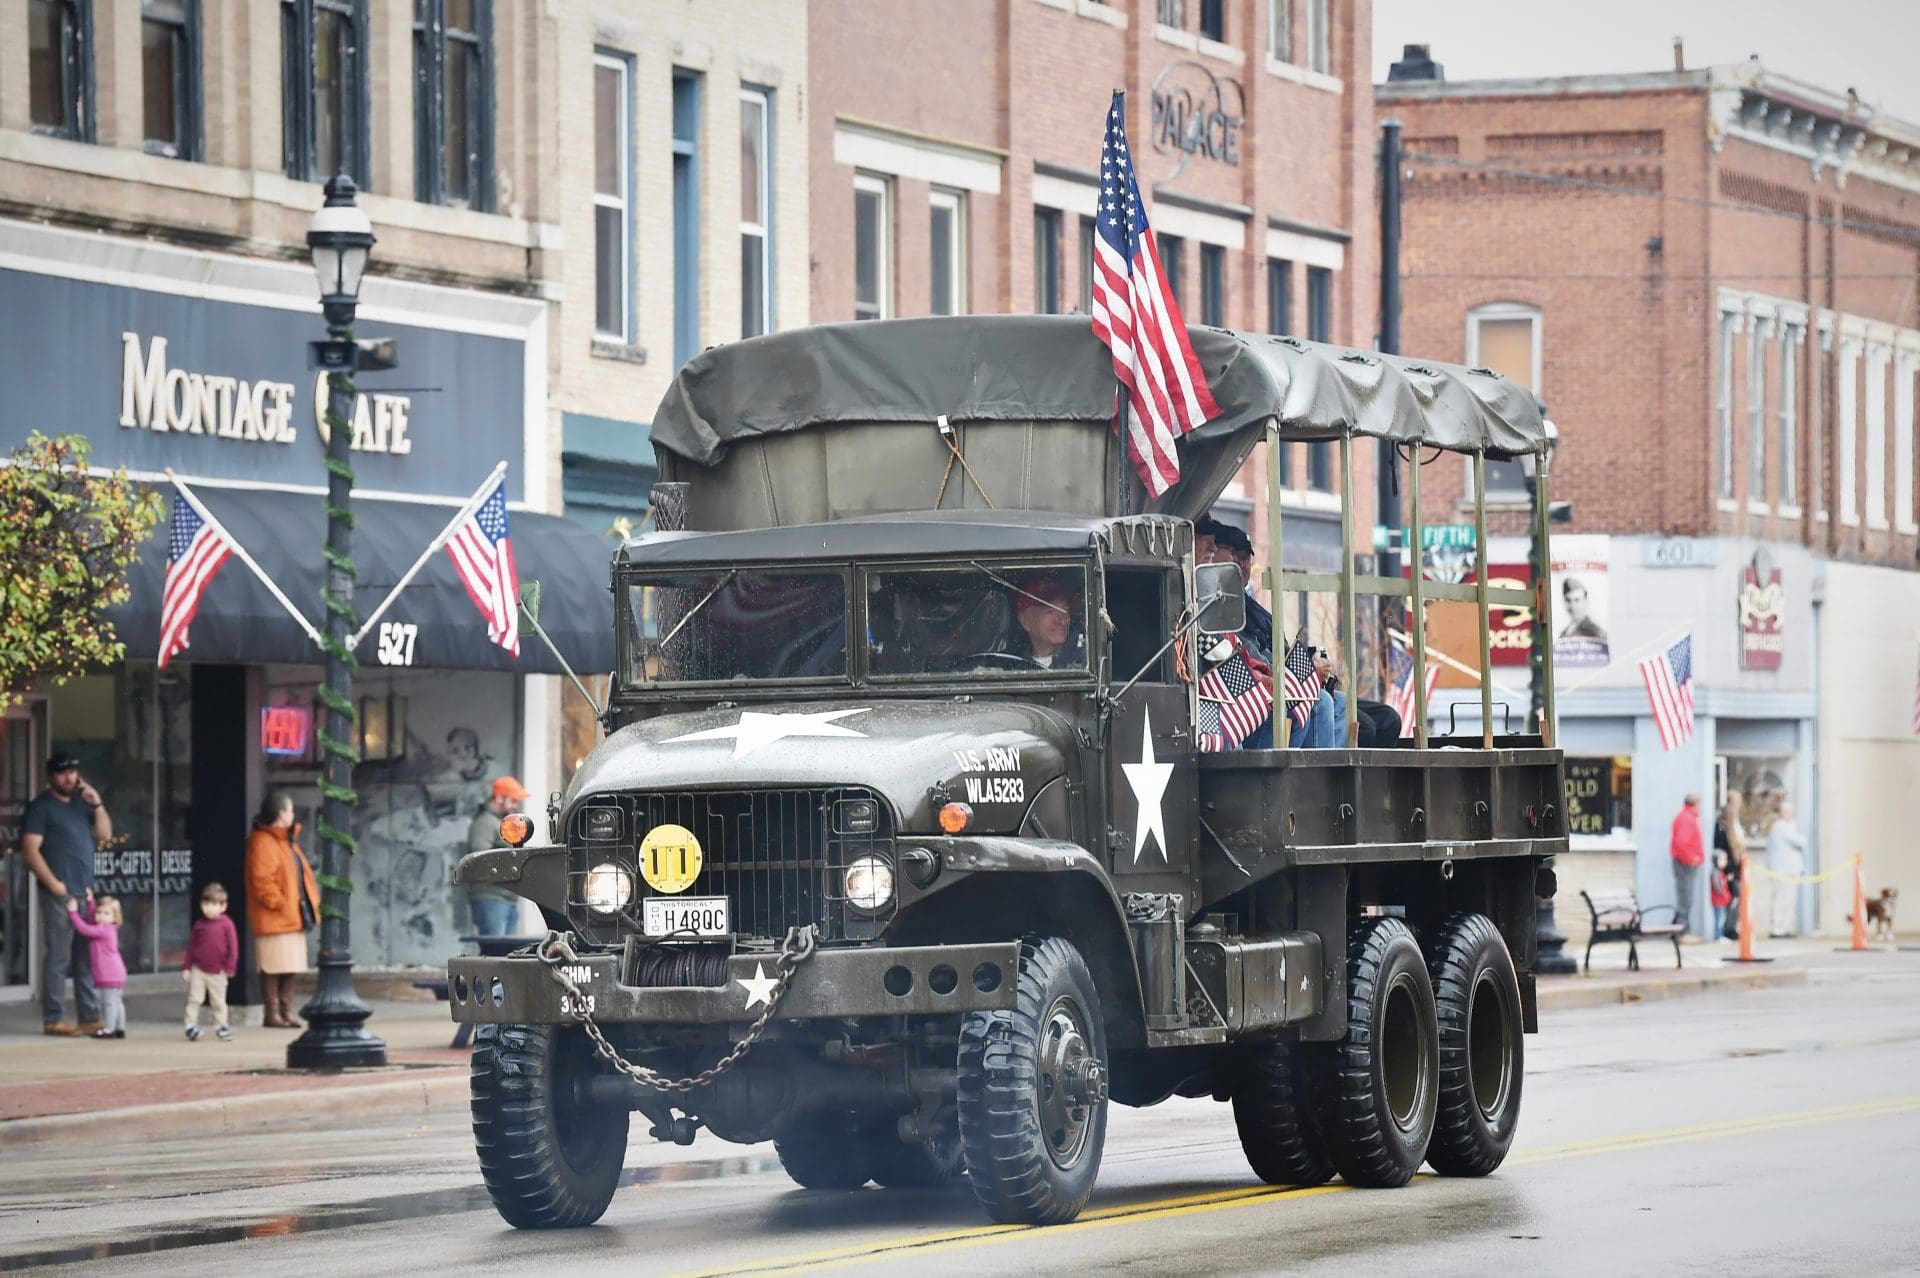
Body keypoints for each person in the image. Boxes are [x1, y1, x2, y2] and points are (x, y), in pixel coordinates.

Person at [19, 752, 111, 1036]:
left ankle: (89, 1015)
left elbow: (105, 834)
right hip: (59, 893)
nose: (69, 777)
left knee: (85, 957)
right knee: (59, 956)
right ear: (50, 777)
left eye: (73, 772)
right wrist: (53, 883)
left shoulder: (82, 805)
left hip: (84, 892)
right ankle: (54, 1017)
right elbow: (30, 850)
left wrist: (97, 803)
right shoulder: (41, 807)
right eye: (62, 773)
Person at [245, 792, 320, 1029]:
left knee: (290, 967)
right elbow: (262, 881)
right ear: (281, 814)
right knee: (273, 967)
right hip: (276, 917)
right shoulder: (263, 842)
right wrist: (279, 903)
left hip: (292, 915)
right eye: (290, 811)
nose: (293, 815)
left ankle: (286, 1012)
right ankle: (273, 1013)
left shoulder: (286, 841)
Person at [467, 777, 532, 937]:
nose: (516, 805)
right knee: (494, 955)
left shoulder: (500, 823)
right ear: (499, 798)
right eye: (513, 800)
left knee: (505, 955)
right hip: (491, 898)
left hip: (506, 899)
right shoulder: (484, 823)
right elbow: (480, 859)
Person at [66, 894, 128, 1039]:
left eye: (106, 913)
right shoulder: (109, 929)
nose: (100, 916)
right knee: (117, 1001)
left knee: (109, 1003)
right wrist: (90, 903)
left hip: (109, 974)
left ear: (115, 917)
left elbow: (84, 928)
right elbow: (93, 920)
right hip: (117, 972)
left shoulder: (103, 931)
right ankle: (120, 1028)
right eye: (99, 912)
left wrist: (73, 913)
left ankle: (109, 1029)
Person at [184, 882, 240, 1041]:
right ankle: (190, 1025)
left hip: (218, 971)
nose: (209, 908)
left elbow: (233, 947)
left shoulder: (227, 925)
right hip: (199, 969)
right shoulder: (199, 925)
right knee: (194, 998)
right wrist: (187, 967)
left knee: (218, 1001)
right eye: (206, 904)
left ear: (223, 906)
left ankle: (221, 1026)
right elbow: (191, 947)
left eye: (214, 904)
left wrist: (231, 966)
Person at [1008, 576, 1085, 670]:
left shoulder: (1083, 662)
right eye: (1050, 611)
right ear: (1025, 621)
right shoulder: (1010, 667)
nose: (1062, 620)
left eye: (1065, 610)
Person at [1765, 801, 1807, 938]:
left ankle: (1785, 928)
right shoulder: (1780, 827)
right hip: (1782, 871)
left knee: (1790, 900)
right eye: (1787, 812)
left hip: (1791, 870)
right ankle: (1777, 928)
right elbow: (1800, 841)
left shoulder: (1788, 827)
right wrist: (1795, 829)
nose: (1789, 815)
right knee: (1781, 900)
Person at [1669, 793, 1705, 937]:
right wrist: (1692, 859)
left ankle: (1680, 928)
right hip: (1685, 864)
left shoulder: (1686, 817)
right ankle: (1681, 930)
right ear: (1695, 803)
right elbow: (1681, 842)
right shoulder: (1687, 819)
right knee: (1686, 897)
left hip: (1685, 862)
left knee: (1685, 896)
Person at [1558, 577, 1607, 641]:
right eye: (1568, 600)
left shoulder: (1595, 632)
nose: (1572, 606)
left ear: (1585, 602)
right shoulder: (1565, 631)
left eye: (1577, 600)